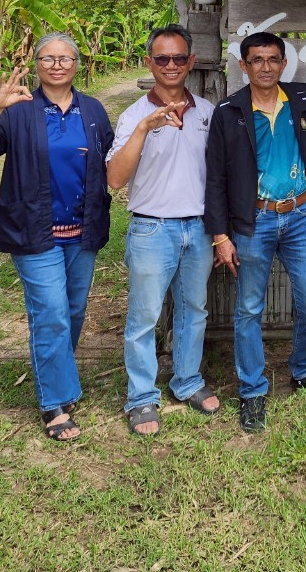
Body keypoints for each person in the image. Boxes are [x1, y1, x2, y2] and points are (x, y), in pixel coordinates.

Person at [205, 32, 306, 433]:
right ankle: (252, 391)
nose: (265, 66)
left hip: (300, 216)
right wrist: (220, 235)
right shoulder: (229, 111)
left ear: (283, 64)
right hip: (252, 222)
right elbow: (214, 178)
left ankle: (303, 371)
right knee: (248, 309)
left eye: (272, 59)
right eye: (256, 60)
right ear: (243, 66)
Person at [0, 33, 114, 441]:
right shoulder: (20, 111)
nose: (57, 65)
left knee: (74, 311)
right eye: (48, 58)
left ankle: (58, 376)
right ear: (36, 64)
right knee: (50, 314)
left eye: (66, 58)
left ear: (78, 64)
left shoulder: (94, 111)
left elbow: (109, 161)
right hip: (35, 232)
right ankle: (54, 403)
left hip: (83, 232)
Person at [107, 24, 218, 437]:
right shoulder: (134, 116)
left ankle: (186, 380)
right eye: (161, 59)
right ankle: (140, 397)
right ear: (149, 63)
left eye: (178, 58)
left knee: (194, 310)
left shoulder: (207, 112)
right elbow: (115, 179)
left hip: (199, 228)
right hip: (152, 229)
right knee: (144, 317)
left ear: (190, 62)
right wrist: (144, 129)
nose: (170, 66)